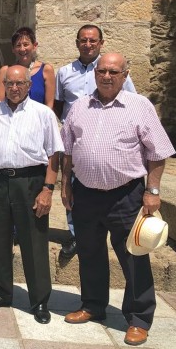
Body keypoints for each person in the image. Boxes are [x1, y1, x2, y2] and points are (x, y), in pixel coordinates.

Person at [60, 53, 175, 346]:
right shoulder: (80, 106)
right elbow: (68, 151)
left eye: (113, 71)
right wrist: (66, 186)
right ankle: (93, 305)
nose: (106, 76)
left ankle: (138, 318)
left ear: (125, 75)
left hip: (126, 195)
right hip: (85, 193)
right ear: (94, 74)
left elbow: (158, 152)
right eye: (102, 71)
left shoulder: (140, 107)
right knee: (89, 253)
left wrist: (153, 191)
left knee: (133, 257)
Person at [0, 65, 63, 324]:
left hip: (31, 182)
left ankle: (40, 300)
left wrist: (48, 190)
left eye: (19, 83)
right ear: (3, 84)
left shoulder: (43, 114)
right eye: (9, 83)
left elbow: (54, 154)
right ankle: (0, 292)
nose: (14, 88)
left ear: (28, 85)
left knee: (34, 241)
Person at [55, 24, 137, 259]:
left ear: (101, 43)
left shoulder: (111, 69)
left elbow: (131, 100)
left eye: (93, 40)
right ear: (77, 42)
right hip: (77, 138)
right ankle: (75, 234)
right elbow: (60, 104)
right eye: (83, 40)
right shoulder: (64, 72)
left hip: (108, 137)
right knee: (72, 186)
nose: (88, 44)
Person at [0, 27, 55, 109]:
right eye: (18, 45)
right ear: (13, 49)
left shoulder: (46, 70)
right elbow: (0, 103)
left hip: (38, 119)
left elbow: (49, 105)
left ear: (34, 46)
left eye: (26, 44)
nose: (22, 49)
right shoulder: (5, 71)